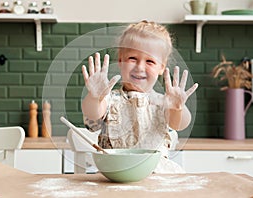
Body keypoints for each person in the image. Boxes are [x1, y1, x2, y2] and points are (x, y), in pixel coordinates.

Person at [81, 21, 198, 173]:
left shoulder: (164, 102)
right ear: (121, 61)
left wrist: (177, 108)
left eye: (150, 61)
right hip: (114, 175)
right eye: (132, 59)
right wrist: (95, 97)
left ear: (161, 67)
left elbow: (180, 124)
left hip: (155, 177)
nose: (140, 67)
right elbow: (92, 113)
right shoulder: (109, 99)